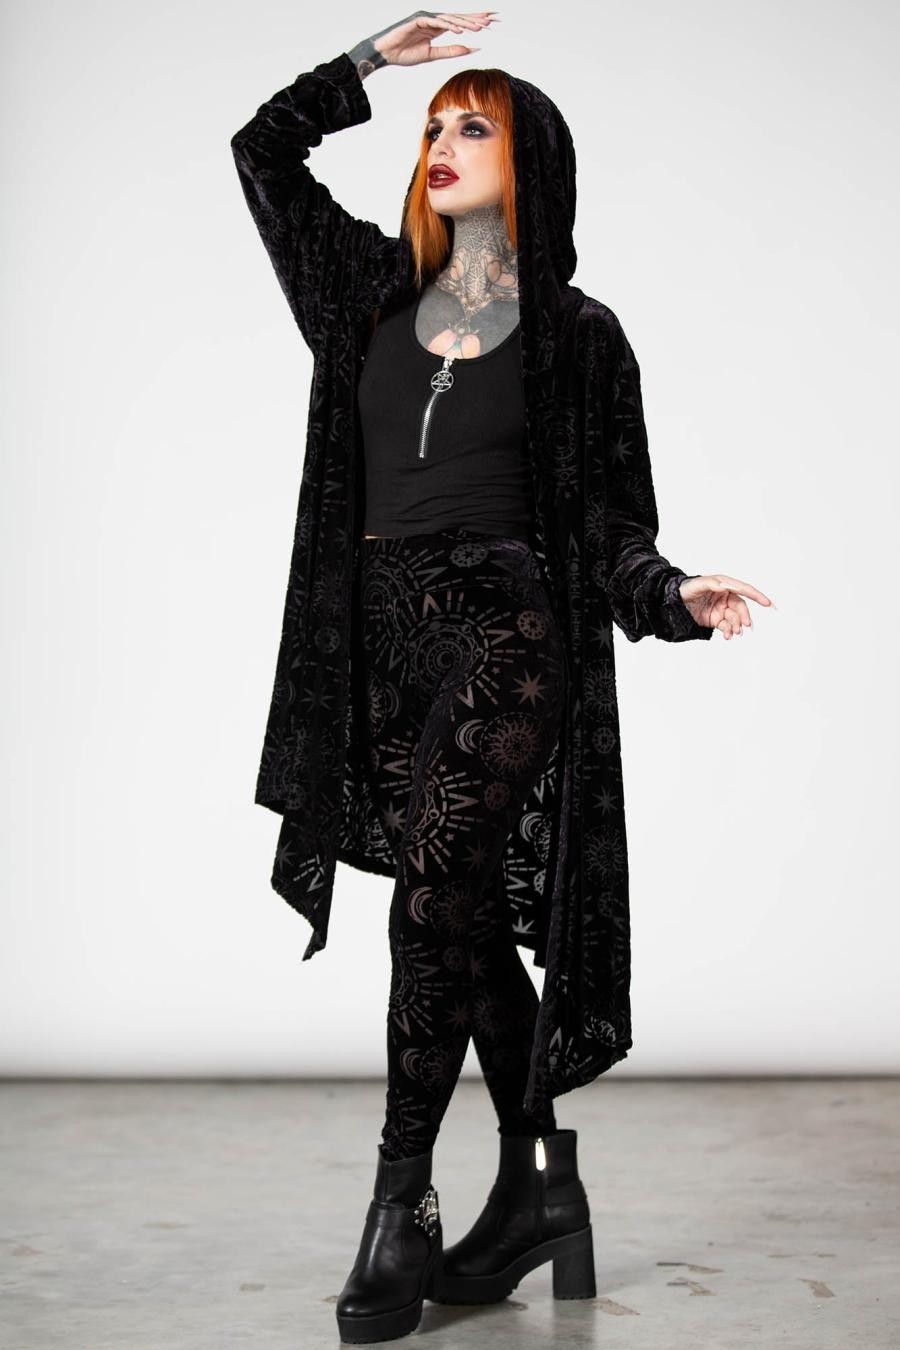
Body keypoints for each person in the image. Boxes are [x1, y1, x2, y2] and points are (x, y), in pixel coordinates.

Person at [230, 11, 773, 1343]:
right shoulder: (362, 296)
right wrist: (372, 63)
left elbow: (613, 532)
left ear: (531, 161)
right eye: (434, 126)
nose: (441, 143)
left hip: (505, 637)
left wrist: (675, 595)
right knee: (458, 918)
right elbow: (262, 152)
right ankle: (542, 1188)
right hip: (383, 647)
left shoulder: (580, 336)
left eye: (472, 126)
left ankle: (399, 1204)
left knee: (430, 909)